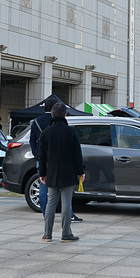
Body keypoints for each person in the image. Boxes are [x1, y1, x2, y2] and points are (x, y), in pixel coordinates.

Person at [29, 99, 82, 222]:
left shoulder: (36, 121)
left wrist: (36, 154)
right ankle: (70, 216)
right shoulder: (66, 125)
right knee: (66, 194)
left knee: (44, 189)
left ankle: (45, 215)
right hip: (62, 160)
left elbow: (32, 140)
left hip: (43, 159)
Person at [38, 103, 84, 243]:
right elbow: (77, 154)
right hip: (68, 172)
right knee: (66, 203)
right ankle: (66, 233)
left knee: (51, 203)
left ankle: (47, 234)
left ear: (52, 115)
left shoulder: (46, 133)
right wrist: (80, 171)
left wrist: (42, 173)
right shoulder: (71, 132)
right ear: (65, 115)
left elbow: (42, 156)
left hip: (52, 172)